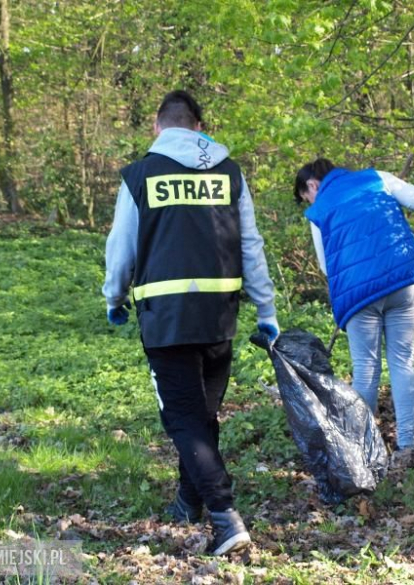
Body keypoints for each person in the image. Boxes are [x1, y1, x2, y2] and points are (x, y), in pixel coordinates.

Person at [103, 90, 279, 556]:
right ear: (199, 128)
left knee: (183, 419)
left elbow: (121, 245)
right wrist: (267, 311)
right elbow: (251, 247)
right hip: (219, 315)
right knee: (202, 416)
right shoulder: (230, 172)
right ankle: (187, 502)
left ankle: (225, 518)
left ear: (157, 128)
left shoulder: (140, 175)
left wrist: (113, 296)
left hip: (166, 318)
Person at [293, 158, 414, 468]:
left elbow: (326, 267)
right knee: (402, 361)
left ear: (312, 185)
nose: (310, 201)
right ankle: (407, 445)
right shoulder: (376, 178)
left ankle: (368, 450)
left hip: (360, 296)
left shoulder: (318, 211)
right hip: (404, 279)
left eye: (306, 196)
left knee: (365, 369)